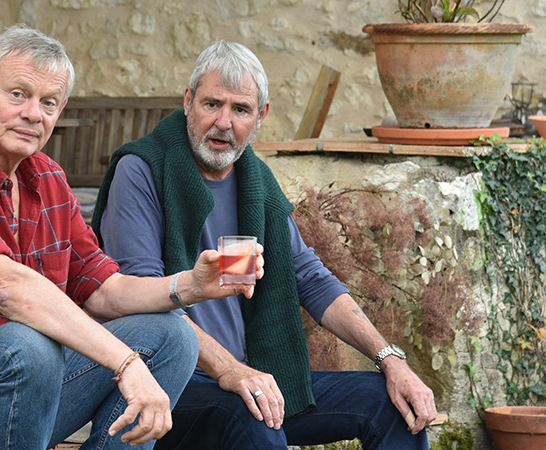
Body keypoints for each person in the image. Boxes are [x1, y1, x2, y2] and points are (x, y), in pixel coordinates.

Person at [0, 25, 263, 450]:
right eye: (18, 94)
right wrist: (125, 362)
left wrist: (190, 285)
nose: (32, 114)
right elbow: (6, 287)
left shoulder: (47, 178)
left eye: (48, 102)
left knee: (174, 335)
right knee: (28, 346)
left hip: (19, 392)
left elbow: (105, 292)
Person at [92, 40, 438, 449]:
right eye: (211, 104)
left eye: (240, 109)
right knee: (254, 421)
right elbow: (141, 293)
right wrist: (230, 371)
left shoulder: (256, 184)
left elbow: (310, 278)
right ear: (188, 102)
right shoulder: (143, 170)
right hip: (168, 386)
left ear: (261, 117)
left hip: (252, 377)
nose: (223, 122)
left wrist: (390, 359)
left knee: (390, 404)